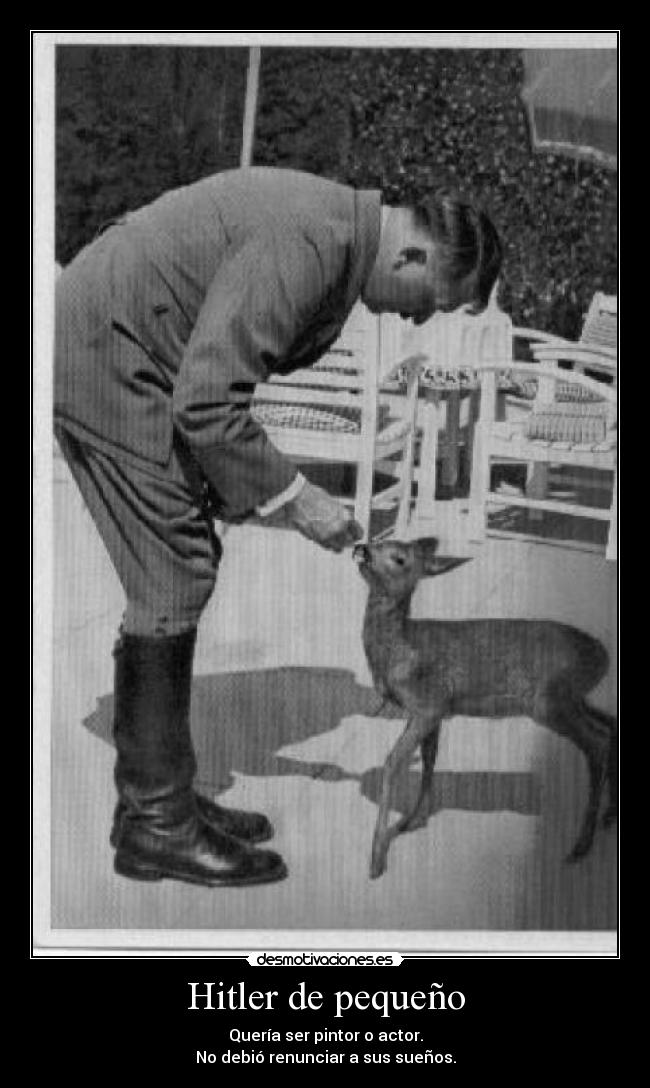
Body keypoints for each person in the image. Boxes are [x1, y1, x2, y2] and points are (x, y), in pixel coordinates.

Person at [54, 166, 502, 889]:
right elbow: (206, 402)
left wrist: (246, 491)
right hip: (105, 351)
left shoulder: (333, 238)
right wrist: (298, 499)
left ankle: (155, 801)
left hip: (119, 345)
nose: (413, 321)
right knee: (174, 571)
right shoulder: (314, 242)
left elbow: (209, 382)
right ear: (413, 258)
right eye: (427, 307)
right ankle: (157, 825)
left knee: (178, 560)